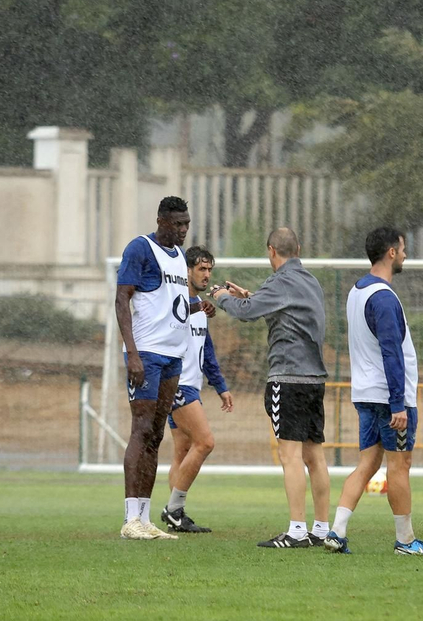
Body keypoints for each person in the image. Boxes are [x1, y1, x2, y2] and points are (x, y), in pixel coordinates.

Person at [324, 227, 423, 555]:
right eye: (403, 249)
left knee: (366, 465)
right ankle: (405, 541)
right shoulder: (384, 297)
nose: (405, 254)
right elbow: (391, 352)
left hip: (364, 393)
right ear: (391, 252)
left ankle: (336, 532)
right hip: (389, 397)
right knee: (399, 466)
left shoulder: (356, 291)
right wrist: (398, 404)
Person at [212, 227, 332, 548]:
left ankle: (295, 531)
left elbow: (248, 314)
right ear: (299, 247)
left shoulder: (279, 282)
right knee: (314, 456)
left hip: (287, 378)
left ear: (271, 251)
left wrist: (224, 299)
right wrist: (250, 295)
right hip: (314, 380)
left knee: (289, 455)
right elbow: (277, 306)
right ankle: (321, 529)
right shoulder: (310, 282)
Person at [114, 197, 199, 540]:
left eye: (186, 225)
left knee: (157, 434)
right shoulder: (141, 248)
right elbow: (123, 299)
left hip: (173, 357)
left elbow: (171, 305)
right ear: (161, 221)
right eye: (177, 224)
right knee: (141, 427)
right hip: (146, 354)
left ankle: (146, 519)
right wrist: (132, 354)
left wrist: (197, 305)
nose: (182, 231)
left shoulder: (179, 257)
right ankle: (130, 518)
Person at [160, 245, 234, 534]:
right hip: (177, 385)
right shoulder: (175, 304)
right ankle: (173, 509)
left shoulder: (203, 309)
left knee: (182, 450)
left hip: (192, 386)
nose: (207, 275)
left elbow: (208, 353)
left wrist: (221, 387)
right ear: (187, 271)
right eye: (201, 269)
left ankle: (176, 514)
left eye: (210, 270)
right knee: (205, 442)